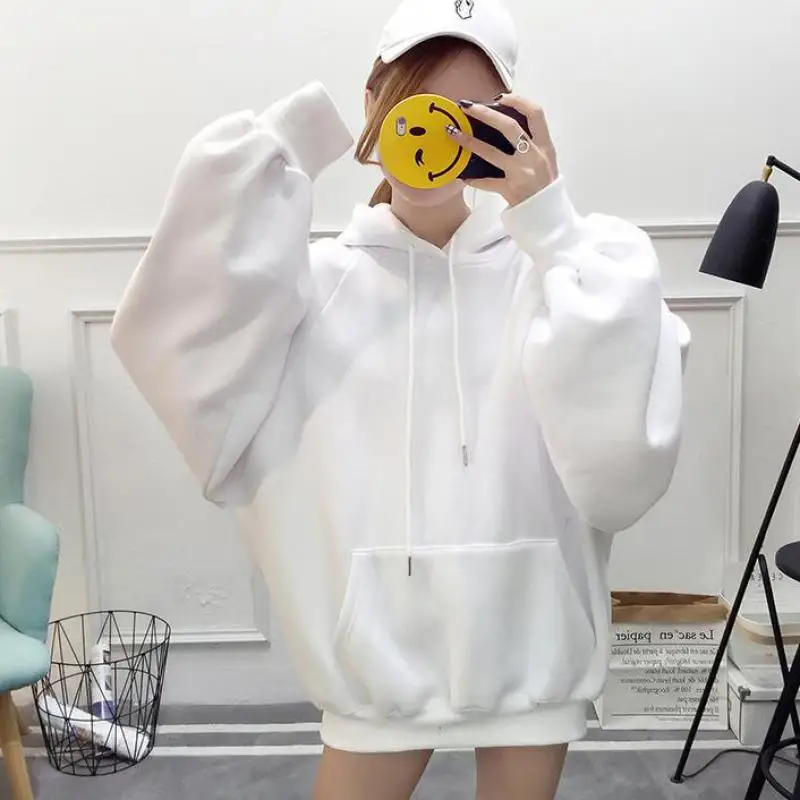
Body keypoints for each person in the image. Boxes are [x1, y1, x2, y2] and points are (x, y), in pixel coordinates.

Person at [110, 0, 690, 797]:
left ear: (508, 124)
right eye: (415, 101)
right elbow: (176, 352)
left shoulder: (562, 274)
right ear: (374, 104)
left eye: (470, 113)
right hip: (376, 674)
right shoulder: (308, 286)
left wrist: (550, 224)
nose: (437, 133)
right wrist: (292, 141)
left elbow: (621, 473)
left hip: (534, 659)